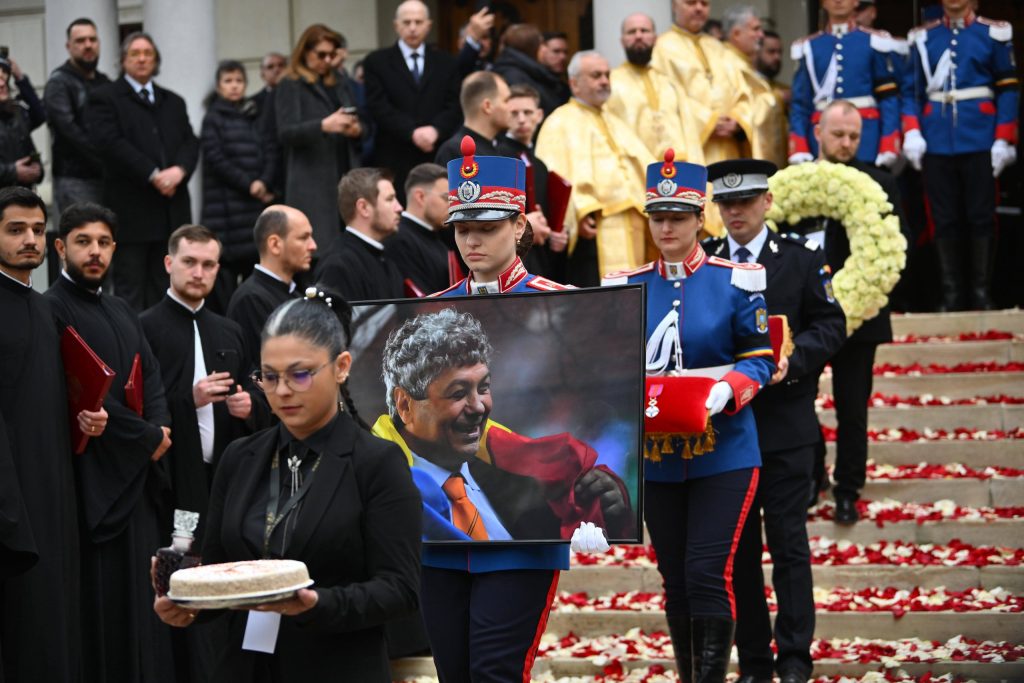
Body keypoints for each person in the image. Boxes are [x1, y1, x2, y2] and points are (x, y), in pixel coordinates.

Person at [378, 136, 610, 682]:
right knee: (455, 673)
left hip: (521, 535)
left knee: (495, 674)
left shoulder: (561, 304)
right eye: (463, 229)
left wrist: (589, 502)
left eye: (487, 227)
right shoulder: (425, 317)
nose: (472, 240)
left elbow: (588, 413)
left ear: (520, 228)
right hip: (437, 536)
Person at [154, 290, 423, 681]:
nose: (282, 391)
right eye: (269, 376)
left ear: (341, 366)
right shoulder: (239, 458)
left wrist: (316, 604)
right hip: (244, 667)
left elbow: (401, 589)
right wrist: (187, 601)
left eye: (300, 374)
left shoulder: (376, 462)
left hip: (335, 666)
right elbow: (218, 569)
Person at [602, 152, 775, 683]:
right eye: (658, 217)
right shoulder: (625, 286)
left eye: (679, 217)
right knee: (674, 576)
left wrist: (728, 389)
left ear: (701, 219)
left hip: (724, 448)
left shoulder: (736, 279)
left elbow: (761, 357)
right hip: (657, 455)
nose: (667, 227)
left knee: (707, 571)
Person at [704, 159, 847, 683]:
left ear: (767, 202)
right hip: (727, 432)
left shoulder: (801, 260)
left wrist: (795, 361)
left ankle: (793, 660)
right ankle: (756, 663)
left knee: (788, 547)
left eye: (744, 201)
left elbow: (832, 325)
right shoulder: (709, 263)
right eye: (725, 203)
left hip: (786, 429)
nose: (735, 211)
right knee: (738, 555)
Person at [45, 202, 175, 683]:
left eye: (103, 242)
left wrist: (160, 428)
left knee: (142, 604)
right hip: (95, 480)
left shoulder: (123, 309)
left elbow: (151, 376)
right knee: (104, 607)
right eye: (83, 241)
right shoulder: (52, 309)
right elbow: (82, 392)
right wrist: (146, 435)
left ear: (115, 248)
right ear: (60, 248)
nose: (94, 252)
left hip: (136, 477)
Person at [0, 188, 108, 683]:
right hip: (13, 501)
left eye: (38, 231)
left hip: (56, 491)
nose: (29, 240)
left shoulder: (44, 309)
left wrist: (85, 419)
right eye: (15, 230)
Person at [139, 224, 253, 680]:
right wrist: (190, 398)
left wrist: (250, 405)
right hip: (176, 490)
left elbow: (255, 391)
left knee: (227, 580)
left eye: (208, 264)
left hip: (225, 486)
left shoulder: (229, 329)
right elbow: (141, 404)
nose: (199, 272)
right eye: (189, 262)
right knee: (179, 577)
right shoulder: (144, 327)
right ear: (169, 263)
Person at [807, 101, 908, 523]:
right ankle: (813, 477)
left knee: (853, 407)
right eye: (838, 135)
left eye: (853, 136)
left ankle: (848, 489)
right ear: (818, 131)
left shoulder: (880, 182)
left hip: (860, 316)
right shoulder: (796, 184)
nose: (846, 143)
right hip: (805, 317)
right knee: (796, 402)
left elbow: (896, 249)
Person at [901, 0, 1019, 311]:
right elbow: (910, 92)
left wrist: (1003, 138)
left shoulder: (993, 33)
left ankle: (980, 292)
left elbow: (1008, 88)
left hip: (980, 137)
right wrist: (912, 131)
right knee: (943, 219)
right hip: (936, 139)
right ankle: (951, 293)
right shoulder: (923, 37)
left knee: (981, 217)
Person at [87, 31, 199, 310]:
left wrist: (180, 171)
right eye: (135, 54)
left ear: (156, 60)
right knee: (131, 292)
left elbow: (190, 141)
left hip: (171, 211)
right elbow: (110, 144)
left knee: (168, 287)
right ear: (123, 61)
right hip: (132, 212)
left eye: (147, 54)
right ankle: (132, 351)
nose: (141, 59)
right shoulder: (105, 98)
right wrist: (153, 174)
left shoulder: (173, 100)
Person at [536, 51, 651, 286]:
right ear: (574, 83)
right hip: (595, 230)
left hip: (634, 223)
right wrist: (579, 212)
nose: (605, 81)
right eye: (596, 75)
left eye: (607, 75)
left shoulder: (615, 121)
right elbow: (554, 175)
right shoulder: (560, 121)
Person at [275, 24, 363, 252]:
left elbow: (361, 118)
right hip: (312, 179)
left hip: (344, 172)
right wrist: (324, 125)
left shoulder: (339, 82)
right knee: (317, 249)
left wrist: (356, 130)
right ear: (305, 52)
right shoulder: (291, 84)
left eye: (332, 54)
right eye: (321, 54)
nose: (327, 60)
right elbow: (286, 132)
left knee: (349, 248)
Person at [363, 0, 461, 197]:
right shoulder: (377, 61)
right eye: (406, 22)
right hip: (395, 153)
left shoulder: (446, 62)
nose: (413, 28)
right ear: (396, 25)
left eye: (418, 22)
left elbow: (454, 104)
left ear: (428, 25)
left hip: (436, 152)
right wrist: (411, 131)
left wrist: (436, 129)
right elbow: (377, 105)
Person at [201, 60, 278, 310]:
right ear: (219, 86)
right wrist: (249, 184)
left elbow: (270, 149)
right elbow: (216, 158)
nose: (234, 86)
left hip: (253, 208)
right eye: (228, 81)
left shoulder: (254, 115)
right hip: (226, 211)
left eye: (239, 81)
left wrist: (264, 181)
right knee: (225, 279)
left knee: (252, 269)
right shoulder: (213, 118)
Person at [788, 0, 902, 168]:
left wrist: (888, 142)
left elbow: (887, 97)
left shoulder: (873, 41)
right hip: (822, 141)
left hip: (866, 140)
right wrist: (799, 145)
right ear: (822, 3)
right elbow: (800, 103)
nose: (838, 1)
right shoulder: (809, 46)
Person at [651, 0, 753, 169]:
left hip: (729, 147)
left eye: (704, 4)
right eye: (691, 3)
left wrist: (737, 120)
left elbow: (742, 92)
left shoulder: (718, 48)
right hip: (694, 148)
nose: (698, 8)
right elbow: (664, 99)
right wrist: (709, 120)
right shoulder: (662, 48)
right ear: (675, 6)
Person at [226, 205, 316, 374]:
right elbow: (268, 371)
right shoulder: (251, 299)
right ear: (275, 244)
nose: (313, 246)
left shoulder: (295, 294)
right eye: (304, 238)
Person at [607, 13, 705, 163]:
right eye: (631, 32)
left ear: (655, 38)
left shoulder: (669, 82)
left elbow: (689, 130)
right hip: (637, 170)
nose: (638, 36)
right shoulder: (611, 83)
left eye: (644, 31)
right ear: (622, 41)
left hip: (677, 168)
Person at [44, 17, 112, 209]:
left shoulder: (104, 82)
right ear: (68, 46)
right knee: (81, 235)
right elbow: (69, 131)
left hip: (106, 178)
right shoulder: (59, 83)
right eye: (80, 41)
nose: (88, 45)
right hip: (75, 179)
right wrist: (108, 160)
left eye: (92, 39)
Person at [505, 83, 568, 279]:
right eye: (514, 113)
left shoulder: (540, 164)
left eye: (527, 112)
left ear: (539, 115)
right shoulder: (499, 157)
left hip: (542, 262)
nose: (522, 119)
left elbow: (546, 215)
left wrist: (557, 234)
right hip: (512, 261)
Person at [314, 167, 404, 302]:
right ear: (363, 208)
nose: (399, 208)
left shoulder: (386, 258)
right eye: (390, 199)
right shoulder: (338, 266)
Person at [721, 6, 789, 169]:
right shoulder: (725, 63)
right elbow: (743, 106)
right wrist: (777, 98)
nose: (761, 35)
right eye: (755, 29)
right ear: (736, 34)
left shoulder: (743, 63)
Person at [384, 162, 453, 295]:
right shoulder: (399, 240)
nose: (452, 205)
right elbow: (419, 301)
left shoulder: (436, 237)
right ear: (420, 197)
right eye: (446, 198)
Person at [434, 71, 517, 165]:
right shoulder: (455, 152)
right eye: (506, 101)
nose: (512, 108)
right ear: (487, 106)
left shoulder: (500, 151)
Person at [493, 24, 565, 118]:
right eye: (541, 45)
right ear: (534, 47)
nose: (544, 50)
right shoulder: (514, 75)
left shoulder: (531, 71)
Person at [0, 56, 44, 189]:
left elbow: (40, 114)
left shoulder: (16, 112)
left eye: (3, 78)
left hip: (22, 194)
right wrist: (13, 172)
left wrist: (20, 78)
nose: (2, 84)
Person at [757, 30, 792, 108]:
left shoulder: (785, 89)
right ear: (757, 52)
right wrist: (779, 97)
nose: (777, 57)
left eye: (779, 52)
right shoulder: (746, 85)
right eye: (771, 51)